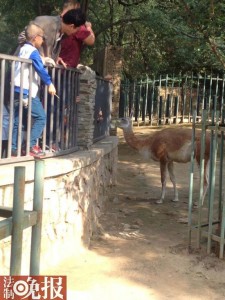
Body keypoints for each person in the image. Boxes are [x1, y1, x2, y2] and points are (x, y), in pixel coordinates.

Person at [12, 22, 56, 157]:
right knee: (41, 117)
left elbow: (35, 60)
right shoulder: (33, 51)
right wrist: (50, 83)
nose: (43, 40)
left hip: (17, 89)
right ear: (36, 37)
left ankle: (13, 149)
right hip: (27, 91)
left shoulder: (23, 48)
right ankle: (31, 146)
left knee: (17, 120)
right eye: (42, 37)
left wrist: (45, 59)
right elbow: (40, 69)